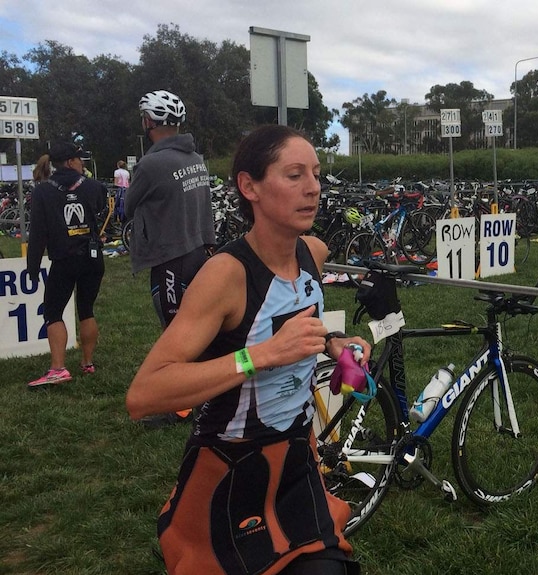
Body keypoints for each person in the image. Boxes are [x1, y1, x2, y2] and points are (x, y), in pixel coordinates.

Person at [126, 124, 367, 575]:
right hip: (230, 470)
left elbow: (293, 321)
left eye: (315, 174)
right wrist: (259, 356)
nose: (313, 187)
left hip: (297, 463)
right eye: (294, 175)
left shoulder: (312, 252)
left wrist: (334, 343)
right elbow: (145, 395)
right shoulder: (226, 275)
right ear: (248, 186)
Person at [125, 90, 215, 428]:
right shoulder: (195, 158)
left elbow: (129, 206)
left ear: (149, 122)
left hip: (169, 258)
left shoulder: (151, 163)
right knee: (198, 329)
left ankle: (184, 406)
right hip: (198, 252)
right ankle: (202, 399)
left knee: (175, 335)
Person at [26, 142, 107, 388]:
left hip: (63, 259)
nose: (82, 163)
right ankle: (87, 362)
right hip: (92, 258)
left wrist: (32, 266)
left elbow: (38, 233)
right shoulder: (95, 187)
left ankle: (58, 368)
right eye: (80, 160)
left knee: (53, 312)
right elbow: (101, 212)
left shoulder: (42, 191)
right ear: (71, 162)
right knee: (87, 309)